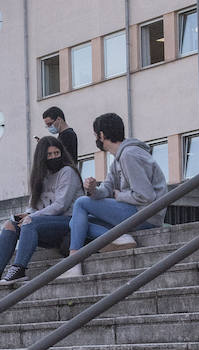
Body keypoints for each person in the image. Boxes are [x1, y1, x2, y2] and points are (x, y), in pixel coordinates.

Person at [65, 112, 169, 278]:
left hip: (146, 215)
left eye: (95, 135)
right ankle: (119, 237)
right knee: (75, 221)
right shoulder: (118, 159)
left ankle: (73, 263)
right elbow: (107, 188)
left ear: (102, 135)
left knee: (80, 203)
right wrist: (93, 190)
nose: (96, 140)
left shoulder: (130, 155)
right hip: (134, 211)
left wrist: (118, 196)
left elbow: (146, 196)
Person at [0, 135, 83, 287]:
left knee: (29, 221)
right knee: (10, 224)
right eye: (49, 155)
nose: (53, 158)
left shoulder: (67, 172)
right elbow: (34, 206)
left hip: (69, 221)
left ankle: (19, 269)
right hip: (45, 223)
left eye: (56, 154)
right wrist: (22, 216)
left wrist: (30, 216)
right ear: (42, 157)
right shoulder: (41, 176)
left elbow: (61, 205)